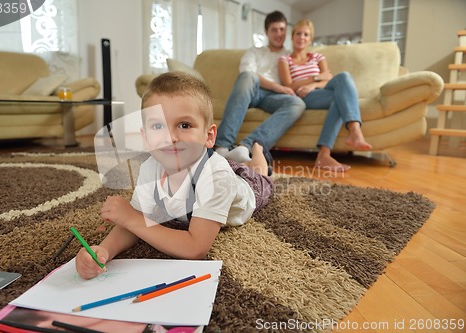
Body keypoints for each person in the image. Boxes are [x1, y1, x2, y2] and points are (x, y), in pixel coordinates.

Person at [75, 72, 273, 280]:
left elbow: (195, 247)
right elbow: (135, 221)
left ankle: (256, 150)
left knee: (259, 172)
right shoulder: (151, 167)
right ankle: (238, 156)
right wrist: (104, 250)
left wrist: (132, 218)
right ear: (145, 137)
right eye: (158, 126)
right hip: (211, 162)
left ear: (209, 136)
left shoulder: (217, 177)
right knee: (233, 164)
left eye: (184, 125)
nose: (170, 138)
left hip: (246, 187)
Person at [278, 19, 372, 171]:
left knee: (344, 77)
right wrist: (314, 78)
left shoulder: (317, 57)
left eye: (306, 34)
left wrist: (313, 84)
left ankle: (327, 152)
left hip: (318, 90)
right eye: (298, 33)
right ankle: (351, 133)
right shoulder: (284, 60)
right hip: (303, 97)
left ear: (310, 39)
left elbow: (327, 77)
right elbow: (288, 85)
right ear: (292, 36)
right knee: (341, 98)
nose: (301, 37)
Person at [214, 10, 305, 164]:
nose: (279, 33)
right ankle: (221, 147)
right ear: (266, 32)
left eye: (282, 29)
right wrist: (278, 87)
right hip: (250, 91)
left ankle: (245, 147)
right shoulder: (254, 51)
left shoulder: (290, 55)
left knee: (298, 104)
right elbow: (247, 72)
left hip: (272, 98)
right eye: (274, 30)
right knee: (249, 76)